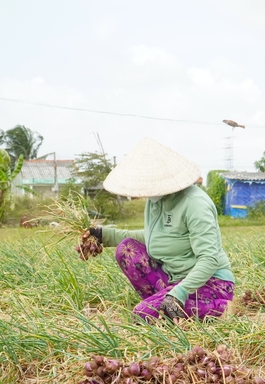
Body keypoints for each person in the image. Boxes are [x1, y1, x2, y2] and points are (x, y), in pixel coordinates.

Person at [83, 137, 235, 324]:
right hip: (174, 281)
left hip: (209, 283)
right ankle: (164, 304)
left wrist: (179, 293)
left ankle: (220, 308)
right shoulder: (156, 201)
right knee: (126, 250)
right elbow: (156, 237)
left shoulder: (195, 204)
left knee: (143, 314)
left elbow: (209, 259)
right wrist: (103, 235)